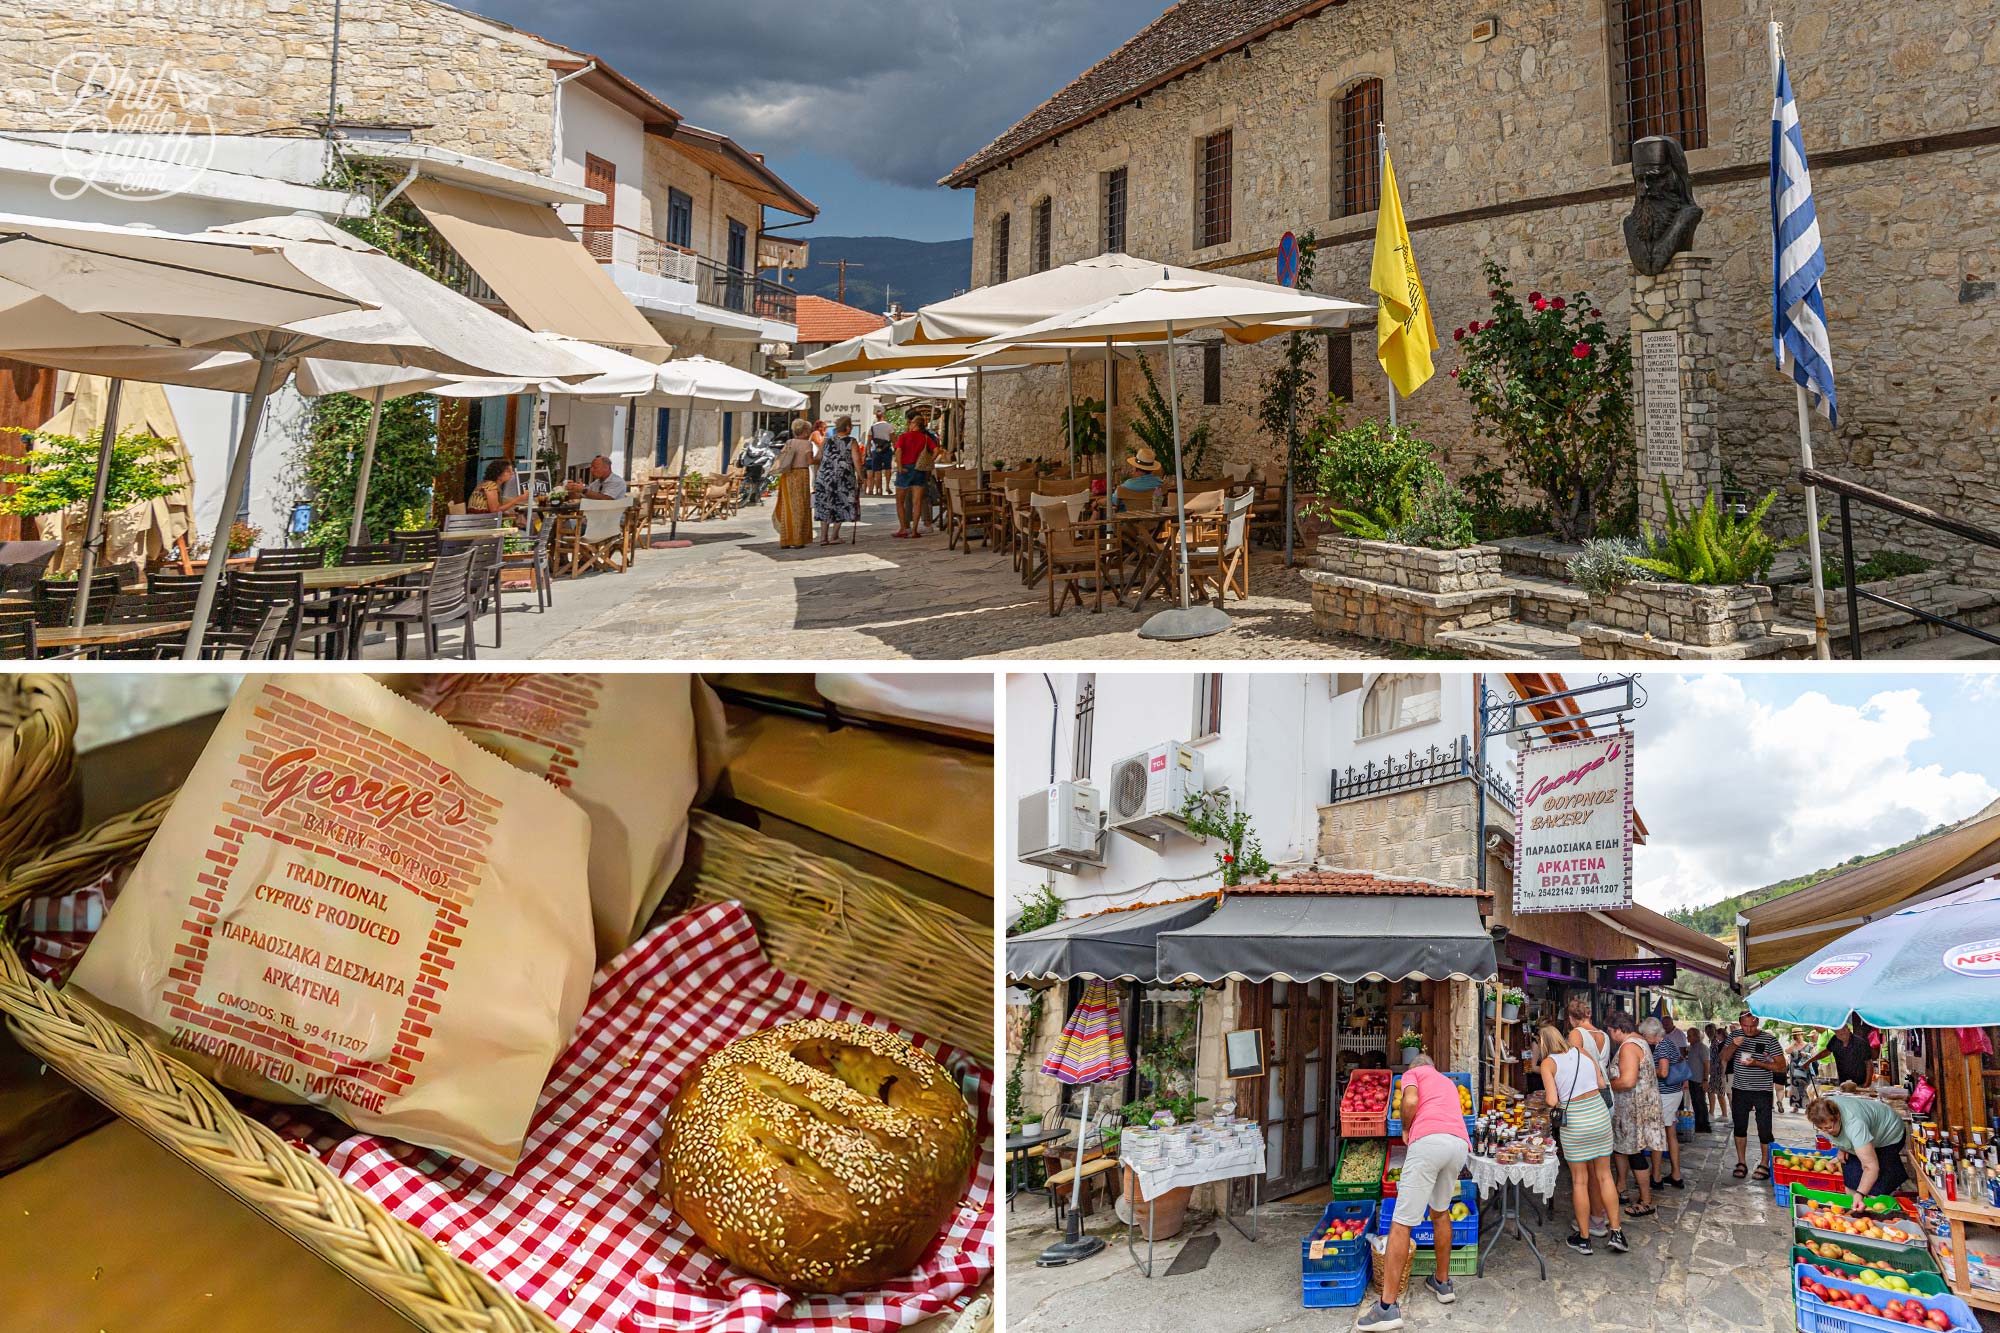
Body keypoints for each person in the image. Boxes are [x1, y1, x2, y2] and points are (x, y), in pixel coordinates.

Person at [1356, 1055, 1471, 1331]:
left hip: (1428, 1141)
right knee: (1440, 1212)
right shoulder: (1446, 1082)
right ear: (1434, 1065)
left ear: (1416, 1067)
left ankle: (1386, 1307)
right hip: (1457, 1144)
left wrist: (1407, 1128)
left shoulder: (1414, 1075)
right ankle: (1443, 1283)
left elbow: (1409, 1102)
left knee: (1401, 1223)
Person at [1538, 1023, 1625, 1256]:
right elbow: (1599, 1083)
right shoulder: (1583, 1053)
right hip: (1598, 1115)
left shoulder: (1548, 1063)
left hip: (1575, 1120)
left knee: (1579, 1181)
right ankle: (1616, 1232)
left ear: (1543, 1043)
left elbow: (1552, 1099)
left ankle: (1585, 1238)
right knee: (1605, 1176)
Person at [1605, 1010, 1664, 1218]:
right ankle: (1620, 1188)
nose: (1610, 1035)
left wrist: (1605, 1085)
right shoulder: (1640, 1041)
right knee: (1622, 1149)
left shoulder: (1629, 1047)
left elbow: (1628, 1081)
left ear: (1619, 1029)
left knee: (1635, 1154)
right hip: (1635, 1107)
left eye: (1611, 1031)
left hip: (1634, 1109)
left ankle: (1646, 1200)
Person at [1716, 1009, 1785, 1181]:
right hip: (1740, 1089)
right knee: (1740, 1127)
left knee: (1764, 1129)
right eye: (1745, 1026)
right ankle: (1741, 1162)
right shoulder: (1735, 1036)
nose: (1748, 1030)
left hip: (1762, 1090)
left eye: (1752, 1026)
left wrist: (1757, 1063)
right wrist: (1734, 1045)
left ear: (1757, 1022)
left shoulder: (1769, 1039)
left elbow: (1781, 1066)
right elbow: (1723, 1058)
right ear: (1740, 1023)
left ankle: (1764, 1163)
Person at [1807, 1094, 1912, 1207]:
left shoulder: (1855, 1125)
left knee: (1875, 1191)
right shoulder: (1825, 1110)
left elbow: (1871, 1167)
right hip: (1862, 1135)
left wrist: (1860, 1194)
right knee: (1851, 1180)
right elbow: (1836, 1133)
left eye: (1828, 1128)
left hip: (1888, 1134)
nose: (1825, 1132)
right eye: (1821, 1128)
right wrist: (1842, 1147)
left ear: (1837, 1116)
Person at [1645, 1016, 1688, 1189]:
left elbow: (1663, 1072)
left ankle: (1656, 1177)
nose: (1644, 1038)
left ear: (1653, 1033)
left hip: (1666, 1095)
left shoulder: (1662, 1046)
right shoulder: (1669, 1043)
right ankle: (1676, 1175)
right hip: (1674, 1092)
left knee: (1657, 1135)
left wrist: (1646, 1070)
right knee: (1670, 1134)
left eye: (1645, 1034)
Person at [812, 414, 863, 545]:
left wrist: (818, 474)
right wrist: (861, 476)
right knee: (842, 504)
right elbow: (856, 460)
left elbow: (818, 458)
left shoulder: (826, 440)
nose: (851, 429)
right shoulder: (851, 441)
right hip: (843, 477)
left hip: (825, 477)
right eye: (850, 426)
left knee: (825, 505)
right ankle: (834, 536)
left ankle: (823, 538)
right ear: (847, 428)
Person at [891, 407, 937, 538]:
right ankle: (915, 530)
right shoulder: (926, 438)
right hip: (919, 470)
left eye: (911, 423)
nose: (909, 424)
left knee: (900, 501)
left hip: (905, 469)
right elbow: (936, 450)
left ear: (914, 424)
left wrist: (899, 466)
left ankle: (903, 528)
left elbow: (898, 451)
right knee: (917, 501)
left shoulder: (904, 437)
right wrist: (928, 461)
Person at [769, 419, 815, 549]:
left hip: (787, 475)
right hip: (801, 475)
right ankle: (798, 539)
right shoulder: (807, 444)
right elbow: (810, 460)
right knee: (800, 507)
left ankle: (786, 539)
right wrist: (820, 458)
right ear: (806, 432)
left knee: (787, 507)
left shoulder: (789, 442)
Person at [1818, 1015, 1875, 1089]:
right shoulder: (1835, 1040)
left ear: (1848, 1029)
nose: (1842, 1035)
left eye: (1843, 1031)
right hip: (1843, 1083)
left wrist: (1867, 1083)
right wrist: (1809, 1061)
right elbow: (1826, 1051)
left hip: (1860, 1083)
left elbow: (1869, 1063)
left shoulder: (1860, 1043)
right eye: (1838, 1033)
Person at [1685, 1025, 1712, 1135]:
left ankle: (1705, 1125)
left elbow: (1707, 1064)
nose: (1688, 1038)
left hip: (1699, 1080)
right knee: (1696, 1103)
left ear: (1696, 1036)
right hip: (1692, 1080)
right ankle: (1699, 1125)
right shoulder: (1691, 1047)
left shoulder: (1702, 1048)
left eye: (1690, 1036)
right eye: (1687, 1036)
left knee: (1701, 1103)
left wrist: (1705, 1080)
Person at [865, 409, 895, 497]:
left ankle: (879, 489)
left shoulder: (872, 427)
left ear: (876, 417)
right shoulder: (889, 426)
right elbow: (893, 438)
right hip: (887, 450)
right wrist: (896, 448)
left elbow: (869, 441)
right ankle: (887, 486)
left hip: (876, 450)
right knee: (888, 468)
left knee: (877, 471)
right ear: (883, 416)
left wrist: (868, 451)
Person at [1787, 1031, 1817, 1111]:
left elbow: (1814, 1056)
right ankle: (1795, 1106)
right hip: (1794, 1069)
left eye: (1797, 1035)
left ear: (1801, 1035)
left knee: (1806, 1088)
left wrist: (1806, 1054)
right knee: (1795, 1087)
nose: (1796, 1037)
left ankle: (1807, 1106)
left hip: (1805, 1068)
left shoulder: (1808, 1045)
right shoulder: (1792, 1045)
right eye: (1794, 1036)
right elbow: (1787, 1051)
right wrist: (1793, 1044)